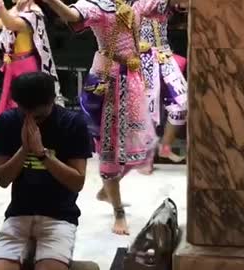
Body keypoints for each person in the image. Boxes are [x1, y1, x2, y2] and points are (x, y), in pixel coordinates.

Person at [32, 0, 161, 235]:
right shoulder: (98, 7)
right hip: (108, 85)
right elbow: (72, 14)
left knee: (142, 146)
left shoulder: (132, 3)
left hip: (132, 81)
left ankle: (108, 189)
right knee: (110, 149)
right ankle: (118, 211)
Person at [0, 72, 92, 270]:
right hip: (18, 214)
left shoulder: (72, 123)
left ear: (53, 100)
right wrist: (24, 149)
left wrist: (42, 154)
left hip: (59, 217)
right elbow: (2, 179)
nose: (30, 120)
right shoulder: (7, 121)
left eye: (38, 116)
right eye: (23, 112)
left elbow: (77, 182)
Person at [0, 0, 64, 154]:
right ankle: (14, 147)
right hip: (14, 65)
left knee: (24, 108)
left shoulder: (33, 11)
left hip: (26, 66)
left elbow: (11, 24)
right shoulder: (17, 9)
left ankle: (30, 146)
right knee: (11, 108)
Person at [138, 0, 187, 171]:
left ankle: (165, 146)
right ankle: (146, 157)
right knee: (147, 107)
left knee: (182, 103)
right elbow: (137, 11)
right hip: (141, 55)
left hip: (163, 54)